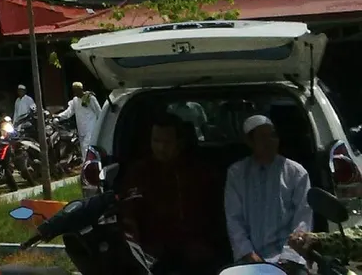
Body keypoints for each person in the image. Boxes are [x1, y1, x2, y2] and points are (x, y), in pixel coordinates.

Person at [117, 114, 225, 272]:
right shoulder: (138, 173)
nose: (161, 147)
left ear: (180, 143)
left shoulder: (199, 172)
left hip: (196, 251)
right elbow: (128, 216)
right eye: (156, 141)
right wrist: (138, 253)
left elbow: (216, 212)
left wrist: (208, 243)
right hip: (154, 254)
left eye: (167, 142)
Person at [225, 114, 311, 267]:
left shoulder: (296, 173)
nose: (270, 142)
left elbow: (302, 219)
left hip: (289, 258)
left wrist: (288, 258)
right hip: (249, 257)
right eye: (263, 137)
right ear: (250, 142)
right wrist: (247, 253)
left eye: (273, 136)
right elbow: (234, 218)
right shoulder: (236, 173)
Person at [57, 82, 104, 148]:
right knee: (83, 148)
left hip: (91, 127)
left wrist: (100, 127)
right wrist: (58, 116)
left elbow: (98, 112)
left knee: (87, 147)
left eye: (77, 90)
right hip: (81, 128)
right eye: (74, 91)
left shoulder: (90, 98)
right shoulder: (75, 100)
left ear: (81, 89)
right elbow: (69, 112)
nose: (76, 92)